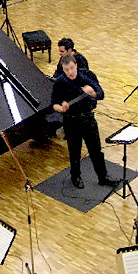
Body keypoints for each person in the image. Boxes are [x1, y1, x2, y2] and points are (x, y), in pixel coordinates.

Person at [51, 55, 118, 189]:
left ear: (76, 65)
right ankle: (75, 176)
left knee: (96, 150)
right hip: (71, 121)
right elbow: (53, 104)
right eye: (66, 70)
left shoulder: (87, 77)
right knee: (74, 151)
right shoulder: (60, 82)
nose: (70, 72)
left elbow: (101, 94)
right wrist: (62, 108)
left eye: (71, 68)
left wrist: (90, 92)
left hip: (88, 119)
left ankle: (103, 176)